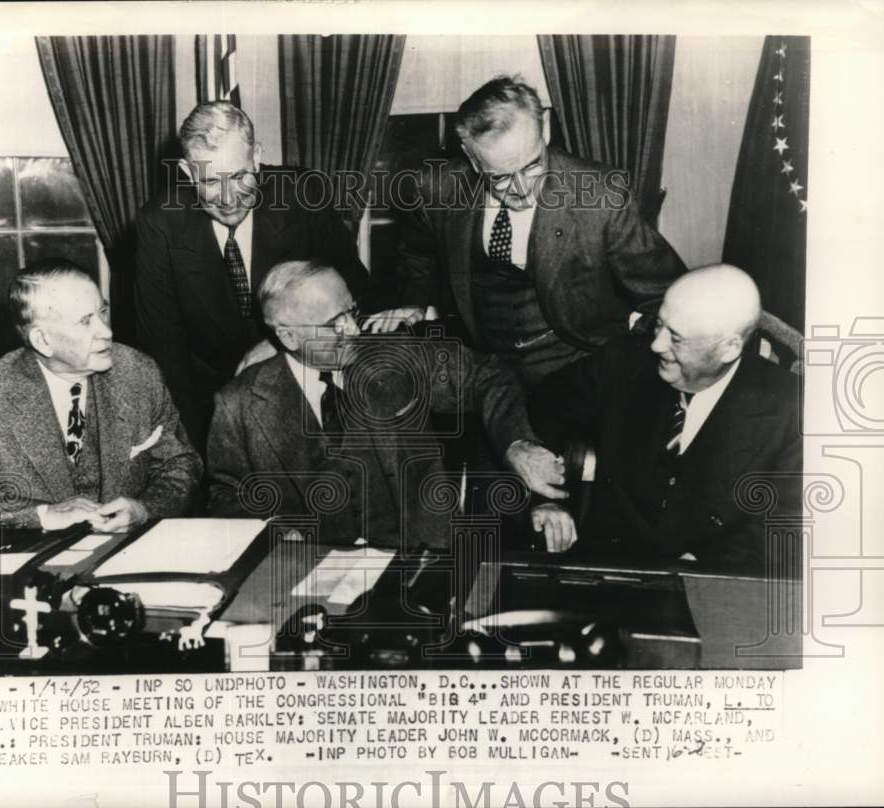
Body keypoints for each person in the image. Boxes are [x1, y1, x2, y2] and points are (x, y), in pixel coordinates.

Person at [206, 260, 567, 549]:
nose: (353, 330)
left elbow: (488, 377)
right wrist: (276, 531)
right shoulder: (237, 405)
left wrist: (517, 444)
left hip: (420, 559)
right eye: (334, 324)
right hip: (308, 577)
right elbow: (226, 496)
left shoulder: (397, 357)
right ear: (287, 335)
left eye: (352, 311)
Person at [365, 76, 687, 390]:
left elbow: (670, 294)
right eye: (501, 178)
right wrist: (417, 304)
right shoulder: (436, 189)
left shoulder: (601, 196)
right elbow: (419, 256)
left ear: (545, 128)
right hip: (484, 371)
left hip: (580, 366)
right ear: (471, 156)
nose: (521, 190)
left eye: (532, 166)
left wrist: (628, 348)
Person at [527, 265, 801, 575]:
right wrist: (547, 498)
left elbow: (782, 538)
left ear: (729, 348)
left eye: (676, 338)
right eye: (659, 324)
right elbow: (539, 409)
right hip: (606, 572)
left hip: (709, 589)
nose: (656, 344)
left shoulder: (791, 411)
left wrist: (703, 569)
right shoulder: (623, 363)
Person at [135, 101, 369, 452]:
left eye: (241, 176)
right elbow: (164, 353)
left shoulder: (303, 196)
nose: (229, 198)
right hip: (210, 406)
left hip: (308, 386)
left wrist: (277, 342)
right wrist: (205, 451)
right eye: (211, 181)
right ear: (186, 172)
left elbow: (357, 293)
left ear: (257, 156)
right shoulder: (159, 226)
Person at [0, 260, 202, 532]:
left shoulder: (137, 372)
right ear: (43, 340)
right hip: (36, 560)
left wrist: (146, 509)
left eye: (102, 311)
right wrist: (41, 515)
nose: (107, 331)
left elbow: (180, 463)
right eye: (85, 322)